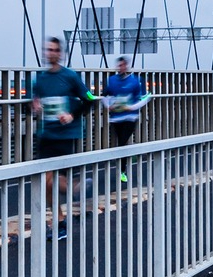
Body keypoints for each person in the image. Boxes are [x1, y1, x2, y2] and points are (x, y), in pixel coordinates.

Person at [28, 37, 89, 237]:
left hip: (65, 135)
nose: (51, 53)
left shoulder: (70, 76)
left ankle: (75, 188)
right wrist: (33, 106)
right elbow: (33, 103)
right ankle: (60, 222)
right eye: (48, 50)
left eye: (55, 50)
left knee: (55, 182)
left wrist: (71, 114)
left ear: (60, 53)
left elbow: (89, 99)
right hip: (46, 135)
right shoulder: (41, 79)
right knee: (45, 182)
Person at [101, 56, 148, 148]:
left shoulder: (135, 81)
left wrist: (131, 107)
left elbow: (144, 98)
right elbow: (103, 95)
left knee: (122, 141)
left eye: (122, 65)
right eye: (119, 65)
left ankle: (122, 162)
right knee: (121, 143)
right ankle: (123, 161)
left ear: (126, 66)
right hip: (116, 117)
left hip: (130, 117)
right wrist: (108, 106)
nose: (120, 68)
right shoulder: (112, 80)